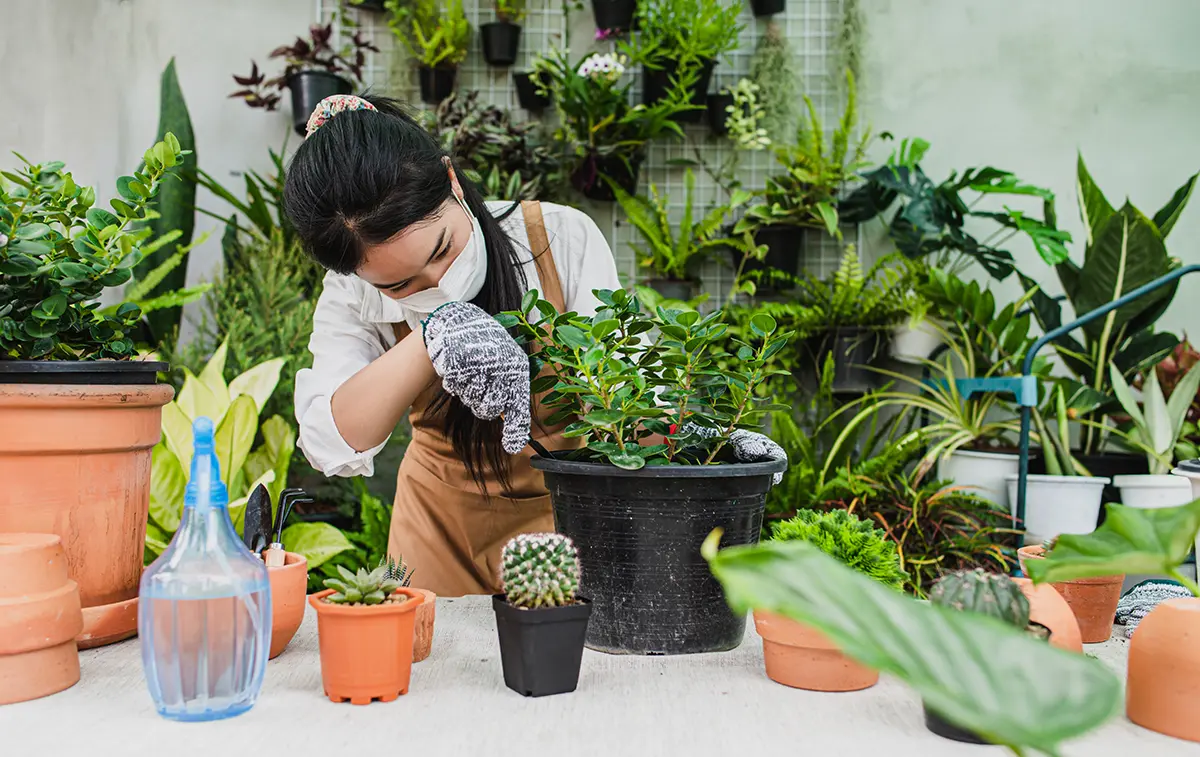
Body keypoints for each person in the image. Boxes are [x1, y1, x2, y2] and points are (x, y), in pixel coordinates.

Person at [285, 94, 783, 596]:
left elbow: (628, 396)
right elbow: (332, 442)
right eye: (400, 286)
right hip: (434, 530)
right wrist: (431, 338)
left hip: (567, 526)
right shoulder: (352, 294)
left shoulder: (555, 238)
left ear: (452, 182)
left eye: (441, 249)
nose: (439, 281)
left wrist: (703, 443)